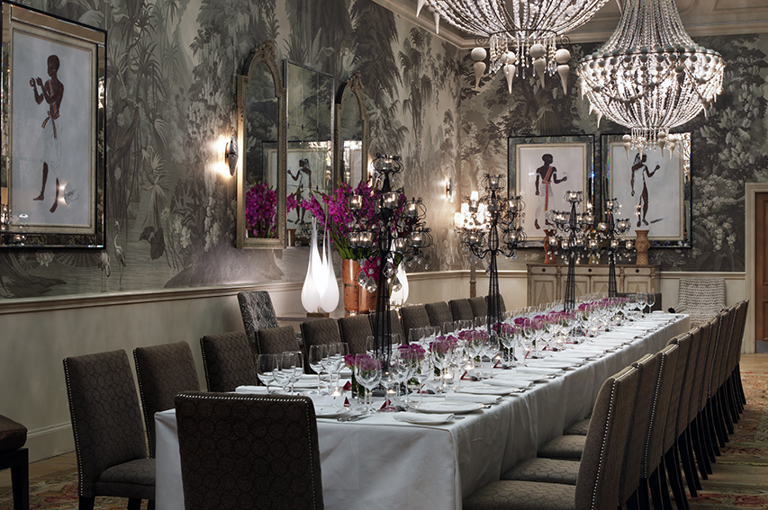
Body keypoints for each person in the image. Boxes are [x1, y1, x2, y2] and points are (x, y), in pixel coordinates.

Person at [29, 54, 64, 213]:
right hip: (49, 123)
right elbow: (39, 100)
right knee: (44, 158)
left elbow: (51, 101)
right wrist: (35, 87)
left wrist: (42, 86)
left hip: (56, 123)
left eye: (49, 66)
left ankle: (57, 200)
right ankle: (43, 193)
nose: (47, 69)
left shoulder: (59, 86)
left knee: (55, 162)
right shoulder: (48, 83)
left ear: (54, 68)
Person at [533, 153, 567, 230]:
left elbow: (555, 181)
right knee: (540, 204)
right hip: (543, 188)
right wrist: (537, 189)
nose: (551, 160)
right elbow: (537, 180)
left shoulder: (553, 169)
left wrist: (562, 180)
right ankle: (536, 221)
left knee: (549, 204)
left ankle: (546, 220)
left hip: (549, 187)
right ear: (546, 159)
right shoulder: (539, 169)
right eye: (550, 158)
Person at [631, 153, 660, 227]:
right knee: (639, 203)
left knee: (646, 201)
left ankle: (643, 218)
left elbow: (649, 175)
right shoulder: (634, 167)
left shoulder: (644, 166)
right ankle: (639, 219)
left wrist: (655, 170)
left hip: (643, 185)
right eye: (644, 158)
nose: (645, 159)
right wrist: (632, 189)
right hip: (637, 186)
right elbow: (632, 178)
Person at [288, 158, 312, 225]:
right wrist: (291, 174)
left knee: (304, 203)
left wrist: (310, 191)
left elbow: (310, 181)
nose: (299, 164)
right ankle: (298, 217)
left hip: (305, 188)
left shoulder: (308, 171)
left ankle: (302, 218)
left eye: (300, 163)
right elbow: (296, 179)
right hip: (300, 187)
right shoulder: (300, 170)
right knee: (297, 202)